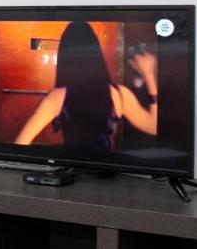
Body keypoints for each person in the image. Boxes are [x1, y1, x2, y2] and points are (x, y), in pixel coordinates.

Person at [14, 21, 157, 151]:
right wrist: (149, 75)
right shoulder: (119, 94)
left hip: (72, 172)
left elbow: (20, 143)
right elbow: (153, 126)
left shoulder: (57, 97)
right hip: (106, 175)